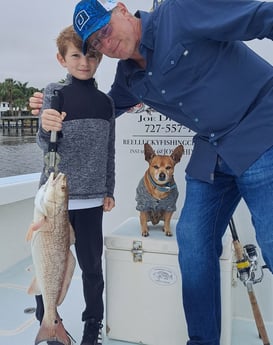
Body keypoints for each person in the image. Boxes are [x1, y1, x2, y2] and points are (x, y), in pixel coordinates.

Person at [29, 0, 273, 344]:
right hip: (213, 148)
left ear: (123, 11)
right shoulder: (129, 79)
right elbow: (100, 112)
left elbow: (262, 17)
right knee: (191, 239)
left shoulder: (182, 13)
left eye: (106, 30)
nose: (105, 43)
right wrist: (51, 111)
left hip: (262, 125)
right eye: (96, 44)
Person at [34, 24, 115, 345]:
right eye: (76, 55)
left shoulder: (106, 103)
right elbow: (44, 143)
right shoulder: (55, 93)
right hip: (53, 204)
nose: (84, 62)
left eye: (92, 55)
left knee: (93, 270)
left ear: (100, 58)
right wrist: (44, 124)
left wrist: (109, 189)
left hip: (92, 201)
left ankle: (92, 325)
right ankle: (51, 324)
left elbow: (109, 152)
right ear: (62, 58)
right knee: (46, 268)